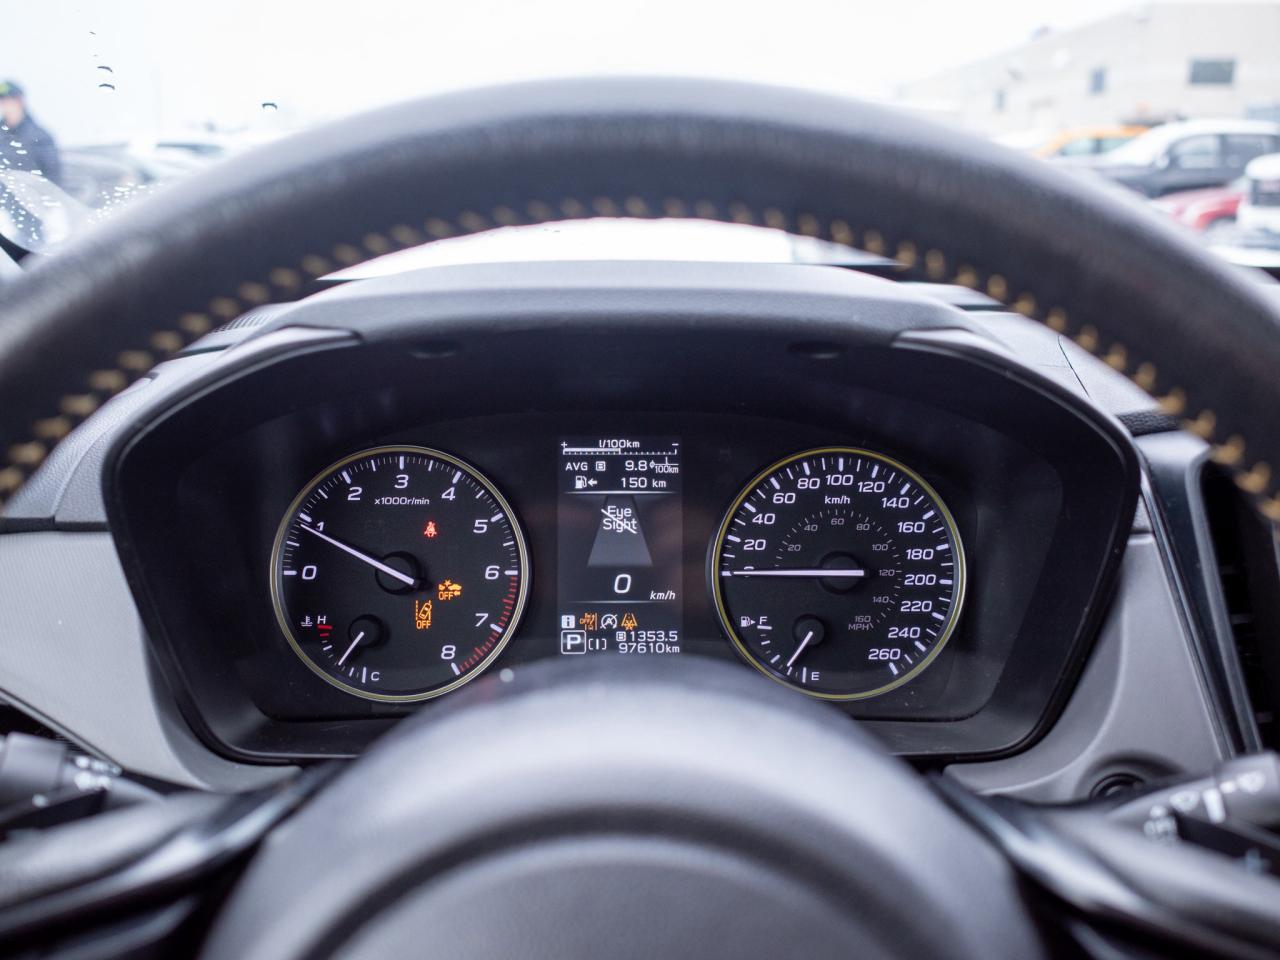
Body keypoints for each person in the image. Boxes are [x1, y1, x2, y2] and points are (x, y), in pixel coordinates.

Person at [0, 81, 61, 185]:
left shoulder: (41, 138)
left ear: (20, 101)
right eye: (2, 100)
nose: (5, 105)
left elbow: (53, 179)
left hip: (29, 193)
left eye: (8, 100)